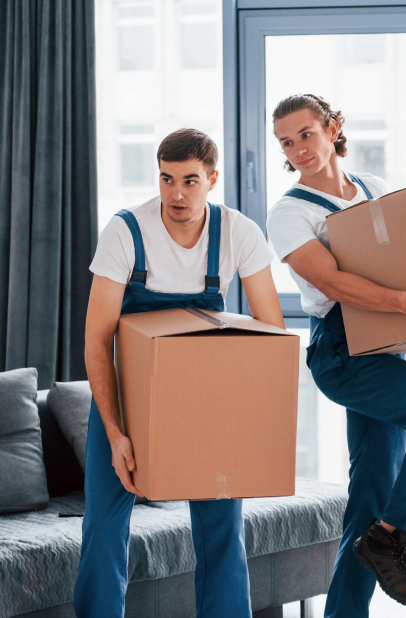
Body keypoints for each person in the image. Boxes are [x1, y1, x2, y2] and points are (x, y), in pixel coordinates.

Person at [266, 94, 406, 616]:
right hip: (340, 355)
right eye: (286, 143)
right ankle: (390, 539)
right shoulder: (289, 212)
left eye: (306, 134)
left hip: (382, 346)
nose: (298, 149)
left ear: (332, 127)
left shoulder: (375, 190)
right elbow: (332, 281)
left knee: (366, 503)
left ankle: (357, 583)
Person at [74, 128, 284, 618]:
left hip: (207, 401)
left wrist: (248, 426)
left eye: (190, 181)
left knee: (222, 528)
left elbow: (271, 336)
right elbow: (95, 341)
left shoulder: (239, 233)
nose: (176, 194)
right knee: (103, 526)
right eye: (167, 179)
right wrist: (114, 430)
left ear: (212, 179)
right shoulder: (126, 232)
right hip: (126, 399)